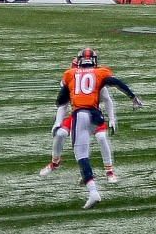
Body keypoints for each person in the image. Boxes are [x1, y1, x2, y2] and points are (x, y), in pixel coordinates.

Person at [41, 47, 144, 208]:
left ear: (78, 62)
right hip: (95, 115)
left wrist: (66, 97)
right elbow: (117, 83)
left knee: (81, 155)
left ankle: (95, 189)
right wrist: (133, 97)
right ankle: (75, 173)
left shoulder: (70, 74)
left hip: (80, 115)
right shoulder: (100, 73)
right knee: (67, 137)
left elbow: (60, 101)